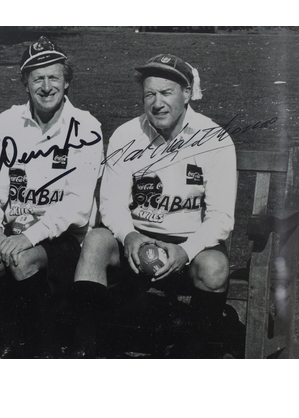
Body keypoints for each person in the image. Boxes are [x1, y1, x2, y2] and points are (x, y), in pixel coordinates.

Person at [71, 54, 238, 358]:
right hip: (136, 240)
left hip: (190, 244)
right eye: (149, 94)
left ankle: (191, 356)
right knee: (95, 241)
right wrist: (130, 237)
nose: (157, 103)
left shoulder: (214, 138)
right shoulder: (127, 134)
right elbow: (111, 203)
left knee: (215, 269)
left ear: (187, 93)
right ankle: (88, 350)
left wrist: (186, 251)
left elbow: (221, 217)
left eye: (166, 93)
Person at [0, 36, 103, 358]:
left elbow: (77, 207)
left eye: (54, 77)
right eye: (37, 78)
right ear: (25, 83)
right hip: (14, 227)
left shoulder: (86, 127)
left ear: (67, 82)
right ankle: (5, 343)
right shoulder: (6, 122)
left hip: (63, 236)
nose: (46, 87)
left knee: (21, 258)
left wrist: (28, 237)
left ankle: (42, 348)